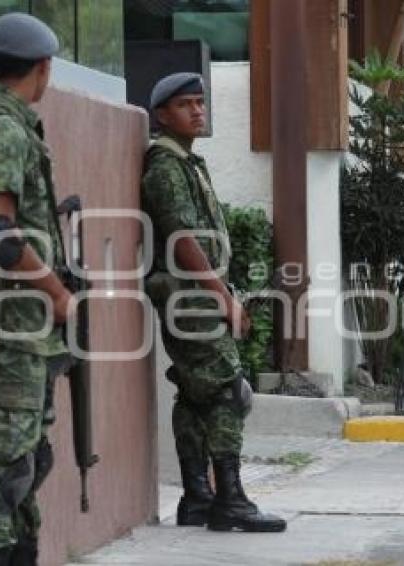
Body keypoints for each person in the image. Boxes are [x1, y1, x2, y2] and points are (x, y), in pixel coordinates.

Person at [141, 72, 286, 532]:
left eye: (201, 103)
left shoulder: (185, 161)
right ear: (163, 115)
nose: (197, 111)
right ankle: (231, 499)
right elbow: (184, 238)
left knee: (195, 395)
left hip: (194, 294)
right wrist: (223, 299)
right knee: (227, 389)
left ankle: (198, 498)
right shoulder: (165, 166)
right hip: (191, 299)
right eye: (186, 104)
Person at [0, 13, 73, 566]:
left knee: (30, 459)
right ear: (43, 68)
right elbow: (2, 237)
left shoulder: (16, 125)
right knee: (5, 469)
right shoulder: (2, 130)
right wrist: (56, 291)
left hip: (26, 328)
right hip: (11, 330)